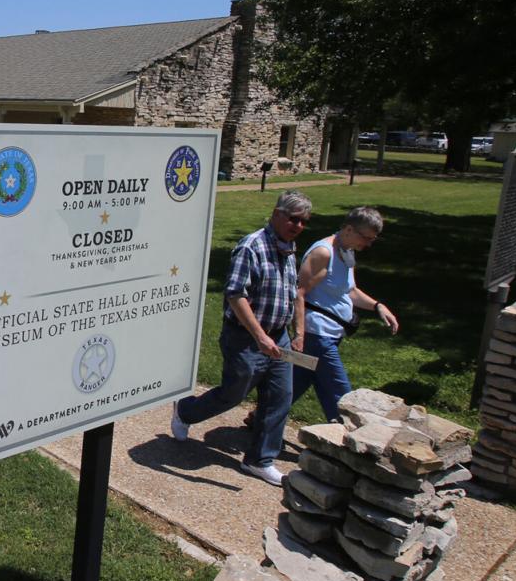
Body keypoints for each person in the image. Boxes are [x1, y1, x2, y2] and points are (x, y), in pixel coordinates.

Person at [170, 190, 313, 486]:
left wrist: (298, 333)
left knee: (280, 397)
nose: (297, 225)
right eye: (293, 219)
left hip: (279, 338)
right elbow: (236, 295)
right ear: (276, 214)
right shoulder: (251, 247)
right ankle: (185, 411)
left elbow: (294, 292)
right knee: (233, 395)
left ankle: (259, 460)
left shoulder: (289, 249)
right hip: (245, 338)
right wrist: (259, 336)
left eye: (303, 222)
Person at [291, 206, 399, 422]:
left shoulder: (347, 252)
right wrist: (299, 334)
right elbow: (299, 294)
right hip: (317, 336)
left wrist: (378, 306)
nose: (368, 244)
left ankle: (260, 417)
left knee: (297, 384)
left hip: (331, 335)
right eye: (366, 238)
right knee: (341, 394)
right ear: (349, 229)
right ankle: (348, 438)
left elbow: (350, 291)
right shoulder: (323, 252)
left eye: (372, 240)